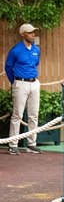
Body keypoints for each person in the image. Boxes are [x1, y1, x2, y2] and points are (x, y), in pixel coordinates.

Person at [4, 23, 42, 155]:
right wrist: (14, 82)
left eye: (33, 32)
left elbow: (36, 64)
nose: (33, 34)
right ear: (22, 34)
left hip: (34, 83)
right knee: (17, 115)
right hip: (20, 83)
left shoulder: (36, 49)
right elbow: (8, 67)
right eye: (30, 32)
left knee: (34, 115)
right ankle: (13, 145)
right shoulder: (15, 50)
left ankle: (31, 144)